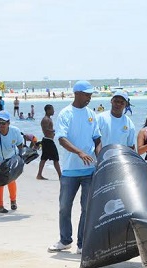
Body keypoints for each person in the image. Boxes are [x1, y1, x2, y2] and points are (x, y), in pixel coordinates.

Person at [47, 80, 101, 254]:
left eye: (90, 95)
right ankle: (65, 240)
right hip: (70, 170)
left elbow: (97, 139)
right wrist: (79, 152)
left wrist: (100, 159)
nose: (89, 98)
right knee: (64, 207)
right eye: (87, 95)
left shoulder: (92, 114)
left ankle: (81, 243)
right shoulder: (65, 114)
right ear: (77, 93)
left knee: (87, 208)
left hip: (89, 171)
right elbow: (61, 139)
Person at [37, 104, 61, 180]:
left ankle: (39, 175)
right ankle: (61, 176)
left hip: (48, 140)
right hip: (48, 141)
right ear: (48, 110)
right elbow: (45, 129)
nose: (53, 111)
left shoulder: (49, 119)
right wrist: (55, 130)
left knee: (44, 158)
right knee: (55, 158)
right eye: (52, 109)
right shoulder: (45, 119)